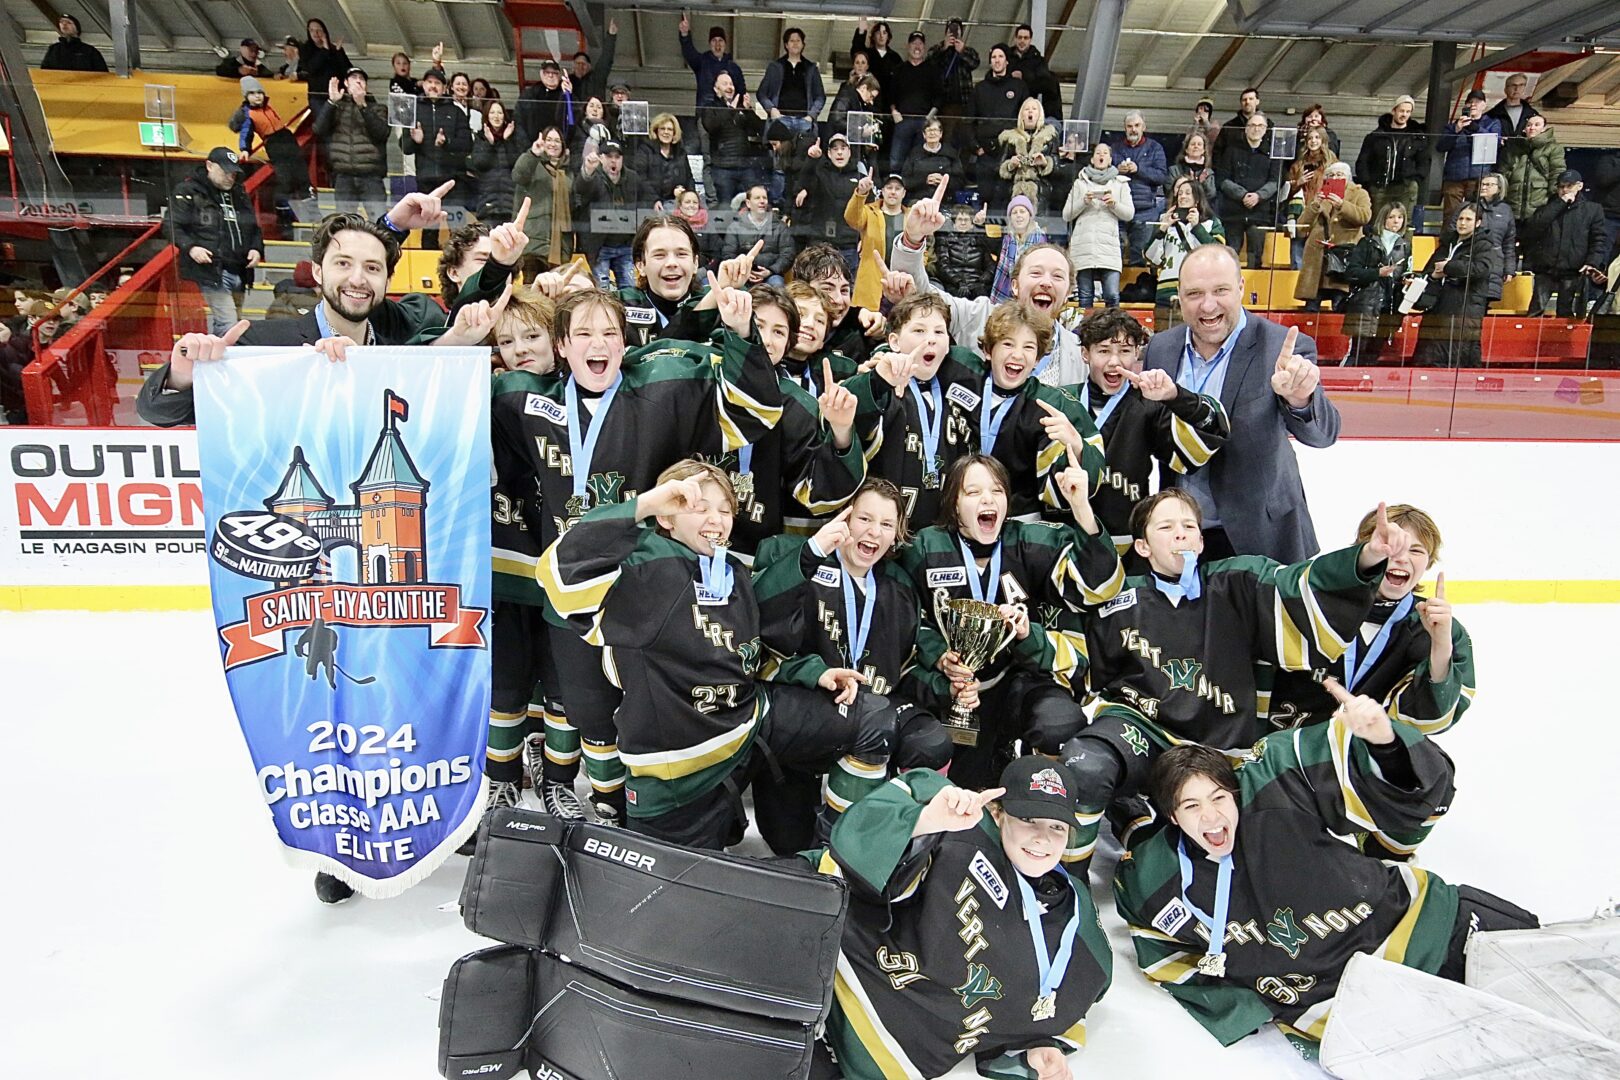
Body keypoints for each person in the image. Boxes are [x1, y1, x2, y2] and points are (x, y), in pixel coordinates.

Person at [1114, 683, 1536, 1057]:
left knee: (1560, 976)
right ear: (1171, 816)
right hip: (1349, 1003)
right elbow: (1163, 955)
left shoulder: (1274, 789)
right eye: (1191, 806)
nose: (1211, 817)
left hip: (1428, 924)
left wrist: (1383, 740)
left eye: (1219, 798)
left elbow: (1377, 779)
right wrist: (1254, 1004)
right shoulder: (1153, 880)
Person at [506, 285, 785, 829]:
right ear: (562, 345)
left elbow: (753, 414)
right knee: (583, 704)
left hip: (645, 587)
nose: (599, 343)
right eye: (584, 333)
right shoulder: (523, 400)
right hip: (572, 581)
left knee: (639, 706)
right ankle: (591, 791)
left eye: (610, 332)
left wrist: (741, 334)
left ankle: (632, 805)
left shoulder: (659, 389)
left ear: (626, 341)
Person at [541, 458, 905, 854]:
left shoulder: (726, 566)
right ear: (667, 518)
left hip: (746, 723)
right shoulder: (646, 567)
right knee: (682, 904)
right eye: (698, 507)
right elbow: (560, 571)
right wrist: (645, 504)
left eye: (725, 509)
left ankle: (842, 858)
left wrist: (811, 673)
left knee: (874, 719)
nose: (716, 519)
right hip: (681, 773)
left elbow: (752, 636)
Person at [1058, 490, 1403, 877]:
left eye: (1189, 526)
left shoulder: (1237, 581)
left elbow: (1298, 585)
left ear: (1202, 540)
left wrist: (1368, 557)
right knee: (1086, 767)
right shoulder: (1119, 600)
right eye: (1166, 527)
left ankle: (1138, 823)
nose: (1180, 535)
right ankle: (1067, 884)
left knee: (1244, 853)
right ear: (1142, 545)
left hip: (1221, 743)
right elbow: (1090, 670)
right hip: (1144, 729)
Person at [813, 758, 1111, 1080]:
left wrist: (1037, 1045)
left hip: (881, 1052)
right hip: (826, 953)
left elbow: (1063, 995)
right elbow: (864, 867)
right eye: (1028, 819)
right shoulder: (959, 833)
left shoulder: (1073, 907)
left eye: (1057, 827)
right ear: (998, 814)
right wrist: (924, 822)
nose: (1043, 838)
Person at [137, 186, 487, 426]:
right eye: (343, 264)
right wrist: (183, 374)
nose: (358, 279)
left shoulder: (401, 341)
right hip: (298, 525)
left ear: (387, 281)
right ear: (318, 271)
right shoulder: (261, 345)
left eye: (372, 268)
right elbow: (158, 412)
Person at [899, 452, 1119, 786]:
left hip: (1017, 679)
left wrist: (1082, 510)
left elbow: (1096, 587)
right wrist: (940, 659)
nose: (987, 498)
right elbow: (904, 617)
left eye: (997, 490)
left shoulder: (1028, 540)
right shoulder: (925, 546)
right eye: (973, 492)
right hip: (952, 689)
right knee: (961, 779)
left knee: (1058, 722)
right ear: (953, 503)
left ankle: (1041, 795)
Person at [754, 482, 953, 804]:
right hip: (804, 713)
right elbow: (760, 622)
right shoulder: (796, 559)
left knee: (929, 741)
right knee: (786, 840)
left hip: (874, 720)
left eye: (887, 524)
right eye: (864, 519)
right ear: (844, 519)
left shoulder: (899, 586)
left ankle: (876, 831)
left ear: (897, 534)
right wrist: (814, 673)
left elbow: (905, 665)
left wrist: (948, 686)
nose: (874, 531)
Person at [1143, 244, 1340, 562]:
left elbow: (1323, 435)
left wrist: (1299, 397)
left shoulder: (1281, 347)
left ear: (1241, 288)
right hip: (1185, 537)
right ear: (1179, 296)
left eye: (1220, 290)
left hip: (1262, 536)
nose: (1208, 306)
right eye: (1194, 294)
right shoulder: (1161, 348)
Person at [1266, 504, 1473, 744]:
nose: (1403, 558)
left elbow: (1430, 720)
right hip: (1285, 751)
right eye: (1394, 547)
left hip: (1365, 764)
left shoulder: (1439, 627)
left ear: (1428, 562)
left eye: (1416, 551)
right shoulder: (1317, 601)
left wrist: (1440, 646)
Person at [893, 183, 1087, 386]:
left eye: (1057, 277)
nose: (1046, 282)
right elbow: (918, 295)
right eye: (1036, 273)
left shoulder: (1078, 350)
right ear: (1015, 286)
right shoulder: (978, 317)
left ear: (1067, 294)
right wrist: (913, 240)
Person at [1073, 307, 1228, 552]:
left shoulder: (1148, 405)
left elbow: (1196, 453)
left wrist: (1176, 397)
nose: (1114, 362)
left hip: (1128, 545)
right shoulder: (1063, 401)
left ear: (1137, 353)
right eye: (1103, 351)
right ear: (1085, 353)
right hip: (1068, 541)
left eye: (1124, 351)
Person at [171, 148, 262, 336]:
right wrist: (192, 247)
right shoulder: (189, 191)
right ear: (209, 166)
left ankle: (219, 356)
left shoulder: (239, 194)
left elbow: (253, 226)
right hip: (212, 269)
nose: (231, 177)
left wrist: (256, 248)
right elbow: (172, 225)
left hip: (239, 268)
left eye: (234, 173)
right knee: (228, 321)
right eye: (225, 171)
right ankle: (224, 359)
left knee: (233, 321)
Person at [1413, 202, 1499, 366]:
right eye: (1460, 218)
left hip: (1464, 309)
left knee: (1455, 357)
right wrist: (1432, 275)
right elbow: (1429, 269)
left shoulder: (1483, 245)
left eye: (1468, 219)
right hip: (1438, 306)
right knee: (1429, 356)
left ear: (1478, 223)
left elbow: (1481, 269)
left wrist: (1449, 267)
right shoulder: (1447, 243)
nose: (1463, 223)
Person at [1525, 170, 1610, 318]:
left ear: (1579, 186)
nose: (1564, 190)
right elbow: (1533, 228)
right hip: (1546, 268)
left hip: (1574, 269)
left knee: (1567, 315)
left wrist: (1592, 262)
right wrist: (1560, 203)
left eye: (1569, 186)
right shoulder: (1547, 208)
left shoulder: (1592, 210)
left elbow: (1599, 240)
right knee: (1536, 311)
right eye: (1561, 187)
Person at [404, 68, 473, 250]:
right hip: (426, 179)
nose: (433, 86)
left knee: (458, 230)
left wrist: (447, 142)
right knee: (429, 229)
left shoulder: (456, 111)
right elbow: (405, 148)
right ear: (424, 85)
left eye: (437, 83)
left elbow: (467, 144)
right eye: (429, 82)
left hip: (452, 179)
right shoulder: (414, 110)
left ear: (444, 87)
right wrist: (415, 140)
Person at [1341, 202, 1414, 366]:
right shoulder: (1367, 243)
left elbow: (1407, 270)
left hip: (1389, 307)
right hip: (1365, 305)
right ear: (1383, 219)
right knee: (1356, 353)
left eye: (1400, 217)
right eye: (1392, 217)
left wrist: (1406, 280)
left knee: (1373, 356)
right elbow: (1352, 273)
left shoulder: (1405, 246)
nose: (1396, 221)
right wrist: (1376, 273)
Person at [1063, 144, 1134, 309]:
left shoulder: (1120, 183)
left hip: (1109, 247)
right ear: (1092, 158)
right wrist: (1083, 202)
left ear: (1110, 159)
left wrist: (1114, 204)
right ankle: (1085, 332)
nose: (1101, 156)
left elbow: (1129, 214)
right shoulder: (1080, 183)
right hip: (1083, 247)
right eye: (1097, 153)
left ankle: (1113, 330)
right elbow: (1066, 214)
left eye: (1105, 153)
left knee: (1112, 294)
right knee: (1085, 296)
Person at [1293, 162, 1371, 312]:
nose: (1335, 178)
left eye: (1339, 175)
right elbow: (1302, 227)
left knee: (1339, 307)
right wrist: (1315, 205)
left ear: (1348, 177)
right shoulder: (1321, 194)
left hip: (1342, 258)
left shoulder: (1359, 193)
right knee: (1311, 309)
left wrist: (1342, 205)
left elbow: (1364, 216)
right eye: (1331, 176)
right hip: (1318, 261)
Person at [313, 68, 390, 215]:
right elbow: (318, 129)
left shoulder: (377, 107)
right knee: (344, 224)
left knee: (379, 224)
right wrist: (331, 102)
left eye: (362, 78)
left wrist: (363, 106)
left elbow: (382, 133)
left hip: (371, 176)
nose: (358, 81)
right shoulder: (337, 107)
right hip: (343, 175)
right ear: (346, 83)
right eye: (354, 78)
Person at [1146, 177, 1224, 321]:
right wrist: (1162, 228)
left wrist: (1196, 227)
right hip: (1166, 288)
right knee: (1163, 337)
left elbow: (1219, 252)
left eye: (1188, 193)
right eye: (1180, 193)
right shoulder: (1165, 221)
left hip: (1197, 289)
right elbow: (1149, 256)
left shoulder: (1210, 223)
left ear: (1197, 199)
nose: (1182, 196)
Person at [573, 140, 649, 290]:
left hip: (626, 245)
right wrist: (587, 171)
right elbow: (581, 188)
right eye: (609, 156)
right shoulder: (594, 176)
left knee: (630, 291)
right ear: (601, 158)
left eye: (617, 157)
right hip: (600, 246)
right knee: (603, 292)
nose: (613, 160)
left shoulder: (633, 178)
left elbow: (645, 200)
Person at [230, 77, 308, 205]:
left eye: (259, 93)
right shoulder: (248, 113)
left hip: (286, 137)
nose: (257, 96)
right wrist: (245, 149)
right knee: (284, 173)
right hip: (273, 142)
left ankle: (306, 193)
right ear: (246, 96)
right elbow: (246, 132)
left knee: (299, 165)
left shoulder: (267, 107)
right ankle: (285, 203)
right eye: (252, 93)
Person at [1217, 113, 1280, 269]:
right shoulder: (1231, 151)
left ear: (1266, 130)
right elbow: (1223, 180)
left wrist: (1258, 196)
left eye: (1260, 126)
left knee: (1256, 257)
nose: (1256, 129)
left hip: (1260, 213)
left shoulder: (1272, 154)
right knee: (1230, 256)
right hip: (1233, 213)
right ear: (1245, 129)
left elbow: (1275, 181)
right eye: (1252, 125)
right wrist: (1242, 195)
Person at [510, 127, 574, 281]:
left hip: (559, 247)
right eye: (549, 140)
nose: (553, 144)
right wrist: (533, 154)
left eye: (557, 141)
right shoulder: (533, 163)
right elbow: (518, 175)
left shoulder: (568, 173)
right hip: (533, 243)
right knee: (531, 293)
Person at [1354, 94, 1427, 229]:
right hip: (1380, 186)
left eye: (1408, 111)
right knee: (1377, 224)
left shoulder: (1417, 137)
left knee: (1404, 225)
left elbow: (1424, 162)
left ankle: (1403, 250)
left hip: (1406, 187)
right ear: (1394, 110)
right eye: (1401, 111)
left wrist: (1415, 180)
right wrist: (1369, 183)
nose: (1404, 114)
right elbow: (1363, 161)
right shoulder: (1375, 136)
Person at [792, 134, 863, 271]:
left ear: (850, 152)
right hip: (820, 245)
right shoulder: (818, 174)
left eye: (843, 148)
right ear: (829, 154)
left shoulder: (860, 179)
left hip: (849, 246)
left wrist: (863, 238)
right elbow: (801, 185)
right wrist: (812, 160)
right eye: (835, 149)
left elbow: (866, 214)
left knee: (847, 289)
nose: (840, 152)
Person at [971, 45, 1030, 208]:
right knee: (986, 197)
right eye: (994, 57)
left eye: (1000, 56)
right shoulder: (980, 88)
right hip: (985, 154)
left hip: (1011, 153)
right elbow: (968, 121)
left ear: (1007, 60)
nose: (997, 60)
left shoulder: (1019, 87)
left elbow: (1026, 118)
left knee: (1009, 197)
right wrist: (976, 148)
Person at [1111, 112, 1168, 267]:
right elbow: (1104, 173)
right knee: (1114, 254)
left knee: (1140, 255)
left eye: (1137, 125)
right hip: (1118, 209)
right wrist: (1116, 170)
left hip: (1145, 211)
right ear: (1124, 128)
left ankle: (1137, 290)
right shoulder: (1115, 148)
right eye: (1129, 126)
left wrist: (1138, 169)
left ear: (1144, 127)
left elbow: (1162, 176)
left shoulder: (1155, 148)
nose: (1133, 129)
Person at [1437, 91, 1502, 225]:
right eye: (1470, 102)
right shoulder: (1453, 126)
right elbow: (1441, 146)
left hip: (1478, 177)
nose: (1473, 105)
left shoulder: (1492, 123)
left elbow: (1494, 142)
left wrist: (1475, 128)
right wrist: (1456, 129)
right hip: (1454, 177)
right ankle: (1448, 243)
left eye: (1477, 102)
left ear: (1484, 105)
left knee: (1477, 213)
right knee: (1451, 215)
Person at [845, 174, 910, 309]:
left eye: (897, 188)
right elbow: (852, 219)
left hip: (901, 284)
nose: (893, 191)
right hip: (871, 282)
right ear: (882, 191)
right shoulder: (869, 211)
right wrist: (860, 194)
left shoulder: (910, 217)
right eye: (889, 187)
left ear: (904, 193)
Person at [700, 72, 763, 209]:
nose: (730, 87)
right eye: (725, 84)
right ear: (716, 89)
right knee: (724, 208)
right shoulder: (710, 106)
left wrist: (748, 110)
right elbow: (711, 126)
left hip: (745, 166)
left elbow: (760, 129)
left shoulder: (740, 106)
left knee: (754, 204)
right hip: (723, 168)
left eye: (731, 84)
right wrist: (730, 110)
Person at [1284, 126, 1337, 272]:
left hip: (1321, 215)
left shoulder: (1331, 163)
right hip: (1299, 214)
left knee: (1318, 261)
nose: (1313, 141)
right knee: (1297, 257)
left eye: (1317, 137)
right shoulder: (1298, 164)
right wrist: (1297, 183)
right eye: (1310, 138)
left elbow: (1337, 187)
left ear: (1323, 140)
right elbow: (1285, 194)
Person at [885, 32, 939, 175]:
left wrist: (929, 118)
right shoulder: (899, 70)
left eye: (920, 43)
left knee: (920, 160)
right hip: (903, 121)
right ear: (908, 46)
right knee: (896, 161)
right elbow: (890, 95)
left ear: (924, 47)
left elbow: (939, 97)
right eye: (914, 43)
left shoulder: (932, 70)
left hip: (924, 121)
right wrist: (894, 111)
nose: (917, 47)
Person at [757, 28, 826, 137]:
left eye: (798, 41)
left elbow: (820, 96)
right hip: (780, 119)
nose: (795, 44)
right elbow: (761, 93)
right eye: (791, 41)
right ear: (786, 45)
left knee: (803, 152)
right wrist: (772, 110)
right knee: (780, 152)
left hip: (804, 121)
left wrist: (811, 116)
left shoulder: (811, 68)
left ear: (803, 44)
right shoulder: (775, 67)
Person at [1503, 114, 1565, 230]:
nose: (1532, 128)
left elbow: (1557, 172)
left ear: (1544, 128)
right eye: (1529, 125)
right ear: (1524, 129)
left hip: (1540, 205)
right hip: (1513, 205)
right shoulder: (1515, 148)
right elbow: (1504, 173)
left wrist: (1553, 198)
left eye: (1537, 125)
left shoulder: (1553, 148)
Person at [724, 186, 795, 287]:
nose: (762, 201)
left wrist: (770, 271)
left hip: (772, 275)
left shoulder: (780, 226)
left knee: (777, 285)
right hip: (742, 276)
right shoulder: (735, 227)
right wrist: (744, 273)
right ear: (748, 203)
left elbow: (788, 254)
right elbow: (728, 255)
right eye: (757, 198)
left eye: (764, 198)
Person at [997, 99, 1058, 215]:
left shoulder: (1049, 137)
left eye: (1034, 109)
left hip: (1040, 191)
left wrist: (1045, 163)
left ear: (1040, 114)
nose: (1030, 112)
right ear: (1021, 115)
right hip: (1014, 190)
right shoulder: (1010, 138)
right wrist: (1010, 165)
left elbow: (1058, 167)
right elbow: (999, 167)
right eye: (1027, 109)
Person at [927, 17, 979, 150]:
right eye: (951, 31)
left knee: (963, 137)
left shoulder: (967, 51)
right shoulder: (939, 49)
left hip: (964, 102)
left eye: (957, 31)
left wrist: (962, 51)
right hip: (945, 104)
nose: (954, 34)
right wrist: (944, 47)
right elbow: (929, 62)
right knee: (947, 137)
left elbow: (975, 63)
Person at [992, 195, 1050, 304]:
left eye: (1022, 211)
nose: (1018, 215)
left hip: (1031, 291)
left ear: (1030, 215)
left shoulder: (1039, 238)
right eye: (1015, 212)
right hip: (1008, 291)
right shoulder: (1008, 238)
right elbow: (1002, 270)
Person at [679, 17, 746, 111]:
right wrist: (685, 34)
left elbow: (741, 92)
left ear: (725, 44)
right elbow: (689, 52)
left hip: (729, 116)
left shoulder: (734, 67)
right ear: (710, 44)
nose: (717, 44)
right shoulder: (702, 62)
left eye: (720, 40)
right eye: (714, 40)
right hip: (705, 113)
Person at [471, 101, 521, 225]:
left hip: (510, 203)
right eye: (492, 112)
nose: (496, 116)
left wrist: (507, 140)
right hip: (488, 202)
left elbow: (517, 165)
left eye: (499, 112)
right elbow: (479, 163)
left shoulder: (513, 137)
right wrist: (490, 143)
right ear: (487, 116)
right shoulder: (481, 137)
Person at [934, 203, 994, 300]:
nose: (963, 223)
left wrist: (983, 279)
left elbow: (990, 265)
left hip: (977, 283)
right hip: (954, 284)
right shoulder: (945, 239)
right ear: (954, 223)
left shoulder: (979, 240)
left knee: (982, 298)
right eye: (960, 220)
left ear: (971, 224)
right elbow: (943, 266)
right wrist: (959, 282)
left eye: (966, 220)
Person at [1006, 23, 1062, 123]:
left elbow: (1045, 83)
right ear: (1015, 39)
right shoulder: (1006, 57)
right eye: (1020, 37)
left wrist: (1024, 78)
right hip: (1008, 107)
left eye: (1025, 38)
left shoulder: (1038, 61)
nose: (1022, 41)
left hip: (1029, 107)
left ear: (1030, 40)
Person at [297, 19, 350, 116]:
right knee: (323, 125)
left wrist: (339, 52)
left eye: (319, 30)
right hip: (318, 97)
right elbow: (311, 68)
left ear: (325, 31)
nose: (316, 33)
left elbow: (346, 70)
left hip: (338, 95)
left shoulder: (334, 49)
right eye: (312, 30)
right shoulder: (305, 49)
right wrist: (324, 50)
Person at [900, 117, 959, 203]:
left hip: (945, 201)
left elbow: (960, 181)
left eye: (935, 130)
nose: (932, 133)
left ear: (941, 134)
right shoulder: (914, 153)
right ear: (924, 134)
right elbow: (905, 181)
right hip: (918, 200)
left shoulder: (951, 153)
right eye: (929, 130)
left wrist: (944, 181)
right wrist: (924, 180)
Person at [569, 18, 618, 104]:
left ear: (589, 66)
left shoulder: (596, 78)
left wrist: (611, 36)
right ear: (573, 66)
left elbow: (606, 60)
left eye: (583, 64)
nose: (580, 67)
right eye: (577, 64)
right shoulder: (568, 81)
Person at [1213, 87, 1265, 160]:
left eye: (1251, 99)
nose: (1247, 102)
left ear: (1257, 101)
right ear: (1241, 103)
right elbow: (1217, 151)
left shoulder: (1268, 125)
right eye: (1244, 100)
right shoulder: (1229, 126)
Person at [41, 15, 107, 72]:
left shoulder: (89, 51)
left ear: (77, 29)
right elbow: (44, 72)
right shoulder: (53, 49)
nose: (64, 24)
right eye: (61, 22)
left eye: (69, 22)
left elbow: (102, 73)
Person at [1169, 131, 1217, 209]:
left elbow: (1211, 194)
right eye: (1192, 144)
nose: (1196, 146)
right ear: (1186, 149)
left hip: (1202, 211)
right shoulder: (1174, 170)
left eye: (1199, 144)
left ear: (1203, 150)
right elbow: (1170, 191)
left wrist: (1202, 183)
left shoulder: (1208, 172)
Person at [1486, 72, 1541, 138]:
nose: (1517, 89)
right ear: (1505, 89)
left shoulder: (1532, 114)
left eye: (1521, 85)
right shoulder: (1493, 115)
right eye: (1513, 85)